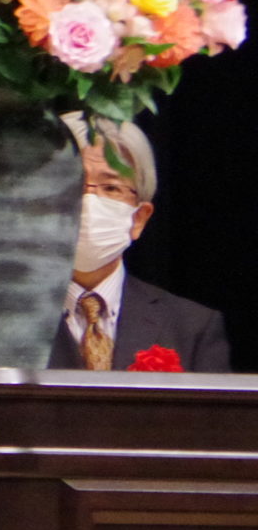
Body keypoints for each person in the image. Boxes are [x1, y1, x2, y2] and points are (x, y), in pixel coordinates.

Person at [50, 115, 231, 372]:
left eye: (111, 188)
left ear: (139, 218)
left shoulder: (192, 327)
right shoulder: (1, 319)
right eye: (75, 183)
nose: (89, 201)